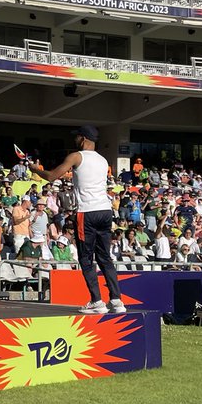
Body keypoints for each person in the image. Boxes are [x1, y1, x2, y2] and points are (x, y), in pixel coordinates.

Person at [30, 125, 124, 314]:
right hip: (105, 210)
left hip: (87, 211)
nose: (75, 140)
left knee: (85, 258)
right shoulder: (103, 160)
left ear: (82, 139)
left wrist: (36, 169)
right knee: (105, 257)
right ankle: (116, 300)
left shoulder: (76, 156)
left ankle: (97, 301)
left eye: (77, 137)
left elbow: (51, 176)